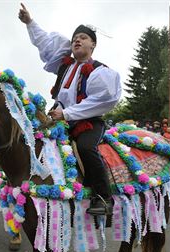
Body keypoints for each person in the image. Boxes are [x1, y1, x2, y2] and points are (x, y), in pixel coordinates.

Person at [19, 3, 121, 215]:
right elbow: (45, 42)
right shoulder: (64, 65)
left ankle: (103, 198)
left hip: (88, 122)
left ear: (93, 45)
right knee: (33, 142)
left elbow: (101, 101)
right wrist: (30, 22)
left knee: (85, 148)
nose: (77, 40)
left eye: (83, 37)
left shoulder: (100, 72)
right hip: (59, 121)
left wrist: (66, 113)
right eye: (75, 37)